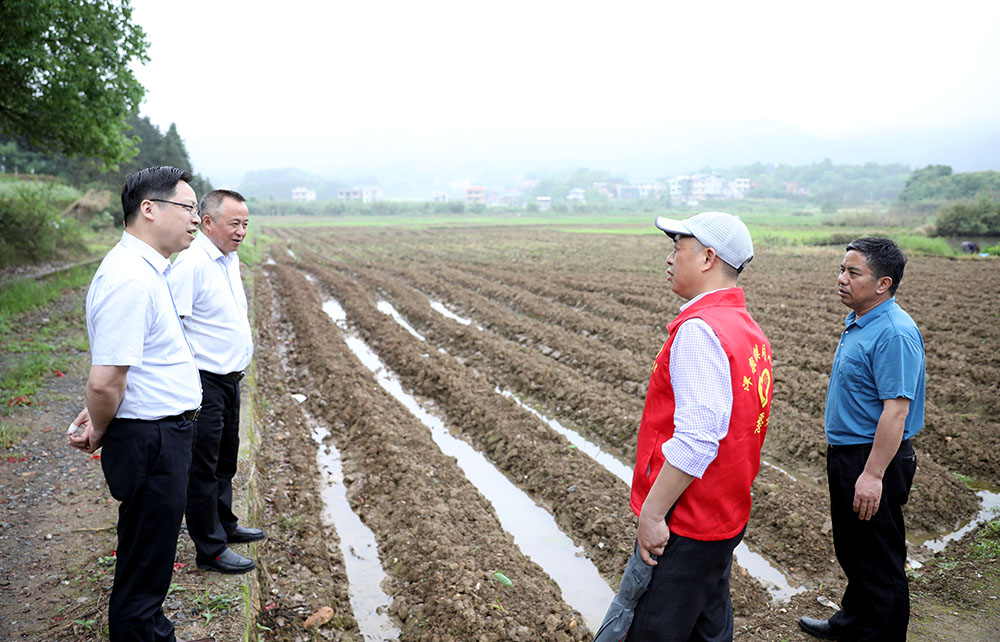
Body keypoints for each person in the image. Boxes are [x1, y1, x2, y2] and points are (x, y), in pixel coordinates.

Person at [69, 166, 214, 642]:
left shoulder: (147, 270)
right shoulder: (130, 277)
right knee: (144, 562)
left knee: (150, 555)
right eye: (188, 207)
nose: (196, 218)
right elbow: (105, 381)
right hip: (151, 440)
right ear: (149, 209)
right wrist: (101, 426)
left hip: (159, 435)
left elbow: (129, 367)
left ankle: (152, 629)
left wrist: (104, 412)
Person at [620, 211, 773, 642]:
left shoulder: (700, 332)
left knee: (654, 631)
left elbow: (696, 439)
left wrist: (653, 514)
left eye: (677, 248)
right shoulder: (746, 329)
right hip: (724, 512)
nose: (670, 259)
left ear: (707, 258)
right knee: (709, 627)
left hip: (686, 521)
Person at [799, 238, 924, 642]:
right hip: (848, 454)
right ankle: (853, 624)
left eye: (853, 272)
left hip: (873, 459)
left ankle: (883, 635)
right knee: (855, 549)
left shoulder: (893, 333)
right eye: (842, 269)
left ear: (883, 283)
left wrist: (872, 475)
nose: (842, 278)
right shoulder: (861, 320)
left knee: (879, 558)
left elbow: (896, 411)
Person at [168, 189, 262, 574]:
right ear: (207, 222)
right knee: (203, 467)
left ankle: (226, 524)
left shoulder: (228, 260)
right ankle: (210, 548)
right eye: (234, 223)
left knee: (225, 458)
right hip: (204, 382)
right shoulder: (191, 265)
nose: (241, 231)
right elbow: (173, 326)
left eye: (245, 224)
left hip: (229, 380)